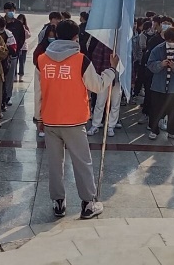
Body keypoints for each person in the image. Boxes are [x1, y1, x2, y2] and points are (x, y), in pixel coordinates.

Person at [33, 19, 119, 219]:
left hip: (50, 120)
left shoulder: (42, 60)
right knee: (82, 163)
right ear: (75, 37)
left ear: (56, 35)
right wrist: (111, 70)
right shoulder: (81, 60)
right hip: (74, 120)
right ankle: (88, 204)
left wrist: (38, 118)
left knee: (55, 164)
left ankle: (58, 203)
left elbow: (38, 93)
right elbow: (97, 86)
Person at [86, 34, 122, 138]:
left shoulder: (124, 45)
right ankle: (95, 124)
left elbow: (129, 62)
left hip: (119, 78)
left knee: (115, 103)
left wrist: (130, 79)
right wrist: (97, 77)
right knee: (100, 102)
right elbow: (96, 59)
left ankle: (111, 125)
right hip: (104, 77)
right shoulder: (104, 43)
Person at [16, 13, 32, 81]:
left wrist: (24, 29)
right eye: (19, 19)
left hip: (24, 47)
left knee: (22, 62)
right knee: (15, 62)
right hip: (16, 47)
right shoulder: (15, 27)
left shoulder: (25, 28)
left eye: (22, 20)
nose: (21, 21)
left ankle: (21, 76)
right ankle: (14, 76)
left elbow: (28, 35)